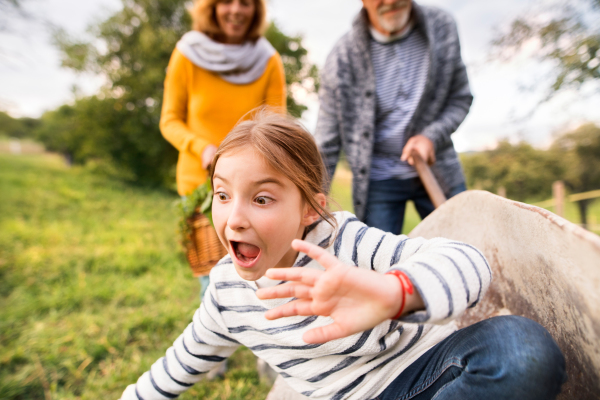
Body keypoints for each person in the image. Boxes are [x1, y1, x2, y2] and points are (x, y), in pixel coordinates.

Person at [120, 111, 565, 400]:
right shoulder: (226, 295)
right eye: (222, 194)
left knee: (521, 349)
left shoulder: (343, 242)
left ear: (310, 209)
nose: (233, 218)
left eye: (261, 199)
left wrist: (395, 292)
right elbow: (175, 368)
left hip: (426, 378)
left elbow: (469, 262)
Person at [159, 0, 286, 300]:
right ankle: (214, 338)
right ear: (211, 7)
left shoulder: (268, 60)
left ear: (256, 10)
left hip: (254, 187)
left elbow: (276, 124)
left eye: (246, 3)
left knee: (259, 279)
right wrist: (202, 148)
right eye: (227, 1)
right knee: (213, 283)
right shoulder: (187, 54)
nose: (236, 10)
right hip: (201, 187)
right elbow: (169, 120)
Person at [316, 0, 471, 235]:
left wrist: (431, 137)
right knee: (379, 266)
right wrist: (309, 200)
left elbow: (460, 98)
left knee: (469, 250)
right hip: (378, 181)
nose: (390, 1)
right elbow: (325, 144)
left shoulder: (442, 27)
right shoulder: (341, 60)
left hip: (439, 171)